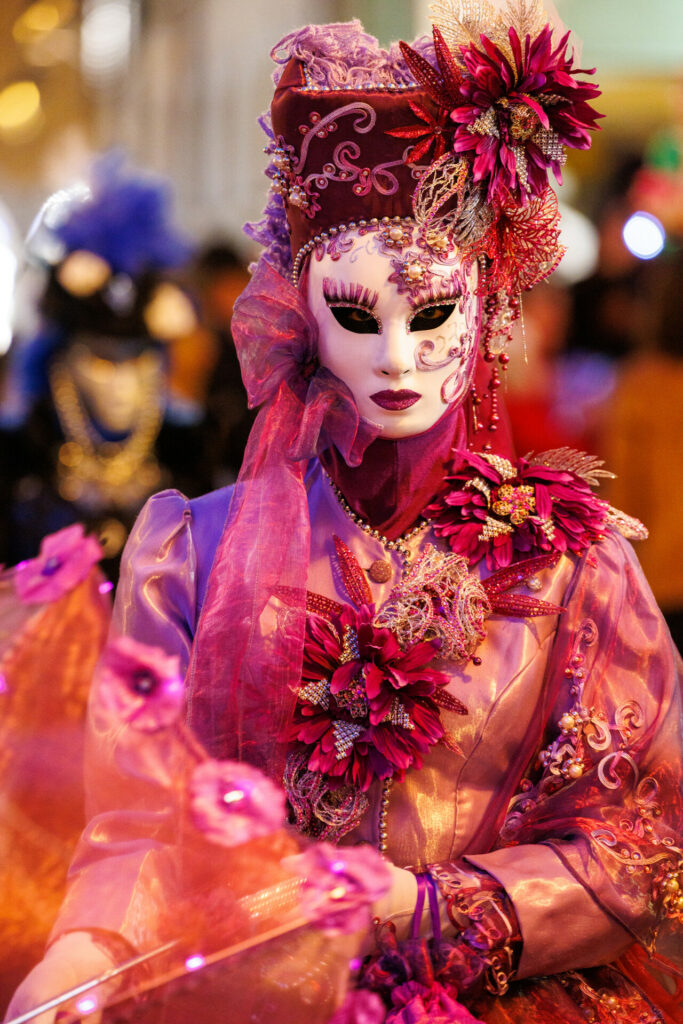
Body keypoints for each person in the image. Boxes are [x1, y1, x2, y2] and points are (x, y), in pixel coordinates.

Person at [6, 5, 682, 1024]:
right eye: (358, 315)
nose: (398, 357)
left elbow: (644, 836)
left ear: (489, 300)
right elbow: (139, 822)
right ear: (301, 310)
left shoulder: (570, 563)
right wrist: (86, 947)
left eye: (434, 312)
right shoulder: (193, 549)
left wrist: (423, 909)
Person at [0, 152, 205, 581]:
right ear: (60, 361)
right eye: (100, 361)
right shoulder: (16, 458)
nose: (120, 384)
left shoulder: (194, 456)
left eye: (135, 362)